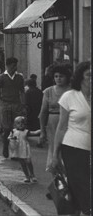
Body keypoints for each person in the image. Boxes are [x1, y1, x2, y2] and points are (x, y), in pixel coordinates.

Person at [50, 61, 91, 216]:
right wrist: (55, 155)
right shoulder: (70, 96)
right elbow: (61, 127)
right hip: (74, 148)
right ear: (80, 77)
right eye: (89, 75)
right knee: (81, 187)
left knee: (81, 190)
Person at [39, 63, 71, 172]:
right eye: (56, 76)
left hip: (68, 123)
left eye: (61, 76)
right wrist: (42, 131)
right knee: (53, 149)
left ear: (67, 77)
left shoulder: (72, 91)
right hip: (52, 123)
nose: (58, 79)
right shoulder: (48, 91)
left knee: (67, 148)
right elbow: (43, 113)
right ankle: (57, 178)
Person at [0, 57, 26, 158]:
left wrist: (23, 105)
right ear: (8, 66)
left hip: (16, 104)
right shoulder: (1, 77)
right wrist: (1, 102)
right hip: (6, 104)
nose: (15, 68)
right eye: (13, 66)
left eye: (16, 66)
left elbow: (22, 91)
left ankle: (15, 152)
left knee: (17, 129)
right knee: (6, 128)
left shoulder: (19, 77)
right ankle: (5, 145)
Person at [8, 116, 37, 183]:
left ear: (25, 124)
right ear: (15, 125)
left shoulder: (26, 131)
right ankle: (27, 176)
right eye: (18, 123)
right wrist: (12, 139)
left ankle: (32, 175)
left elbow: (34, 133)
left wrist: (41, 131)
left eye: (22, 123)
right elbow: (9, 137)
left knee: (28, 162)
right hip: (18, 148)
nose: (21, 124)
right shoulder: (13, 131)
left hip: (25, 149)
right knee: (22, 163)